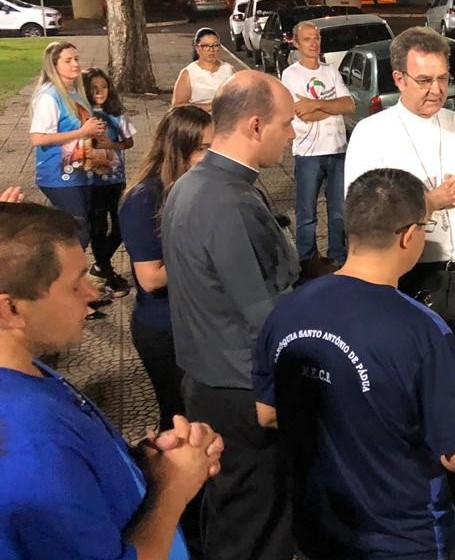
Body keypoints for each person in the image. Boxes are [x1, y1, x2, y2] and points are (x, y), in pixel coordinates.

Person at [253, 167, 455, 560]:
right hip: (404, 538)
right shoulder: (423, 331)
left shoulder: (287, 308)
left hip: (319, 525)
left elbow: (266, 413)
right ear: (410, 236)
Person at [0, 202, 225, 560]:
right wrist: (173, 488)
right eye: (75, 285)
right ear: (10, 309)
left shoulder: (27, 374)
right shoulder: (36, 446)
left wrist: (146, 466)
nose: (93, 294)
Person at [342, 26, 455, 534]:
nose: (436, 91)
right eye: (424, 80)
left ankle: (454, 508)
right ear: (398, 79)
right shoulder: (373, 133)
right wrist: (429, 201)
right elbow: (361, 215)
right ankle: (410, 508)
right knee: (405, 400)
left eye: (443, 79)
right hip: (405, 281)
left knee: (454, 397)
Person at [162, 71, 299, 560]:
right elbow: (267, 318)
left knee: (231, 514)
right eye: (288, 123)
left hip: (206, 382)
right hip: (244, 395)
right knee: (256, 530)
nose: (294, 132)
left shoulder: (189, 186)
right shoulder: (232, 201)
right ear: (256, 125)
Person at [120, 104, 213, 432]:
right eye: (205, 149)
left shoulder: (196, 186)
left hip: (195, 320)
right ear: (179, 148)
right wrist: (211, 258)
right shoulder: (144, 198)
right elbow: (150, 278)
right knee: (179, 417)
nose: (213, 157)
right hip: (164, 329)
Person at [27, 41, 112, 320]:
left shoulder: (74, 93)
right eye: (68, 60)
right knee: (77, 235)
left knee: (79, 233)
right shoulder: (49, 96)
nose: (76, 64)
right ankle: (63, 293)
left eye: (76, 58)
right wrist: (82, 132)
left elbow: (83, 129)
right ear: (54, 65)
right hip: (58, 176)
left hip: (80, 172)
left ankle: (78, 292)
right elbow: (38, 138)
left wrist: (95, 134)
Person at [282, 21, 355, 275]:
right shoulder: (291, 75)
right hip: (308, 153)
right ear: (296, 43)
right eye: (307, 39)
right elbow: (302, 114)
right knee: (306, 212)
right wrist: (326, 106)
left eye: (316, 38)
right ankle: (306, 259)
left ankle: (338, 257)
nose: (314, 44)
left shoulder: (331, 71)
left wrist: (314, 104)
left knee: (339, 211)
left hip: (337, 149)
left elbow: (348, 105)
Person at [82, 67, 135, 299]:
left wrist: (110, 146)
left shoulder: (116, 113)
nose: (99, 92)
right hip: (92, 181)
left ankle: (100, 267)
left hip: (116, 179)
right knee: (98, 226)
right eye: (94, 89)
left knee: (121, 225)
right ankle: (109, 274)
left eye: (103, 87)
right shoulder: (81, 115)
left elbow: (128, 142)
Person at [172, 28, 236, 112]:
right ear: (197, 48)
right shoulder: (188, 73)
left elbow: (237, 99)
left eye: (215, 45)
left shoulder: (228, 70)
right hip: (199, 120)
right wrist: (211, 106)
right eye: (206, 46)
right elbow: (177, 105)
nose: (211, 50)